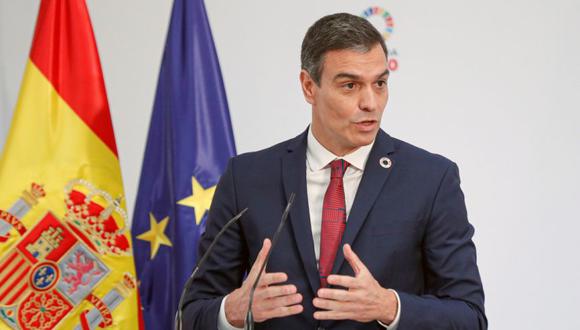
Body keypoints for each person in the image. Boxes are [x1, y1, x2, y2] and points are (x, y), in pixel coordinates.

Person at [182, 13, 487, 329]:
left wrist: (389, 307)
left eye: (380, 83)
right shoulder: (245, 177)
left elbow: (469, 317)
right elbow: (189, 313)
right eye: (350, 85)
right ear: (308, 86)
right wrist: (231, 311)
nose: (371, 102)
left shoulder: (431, 179)